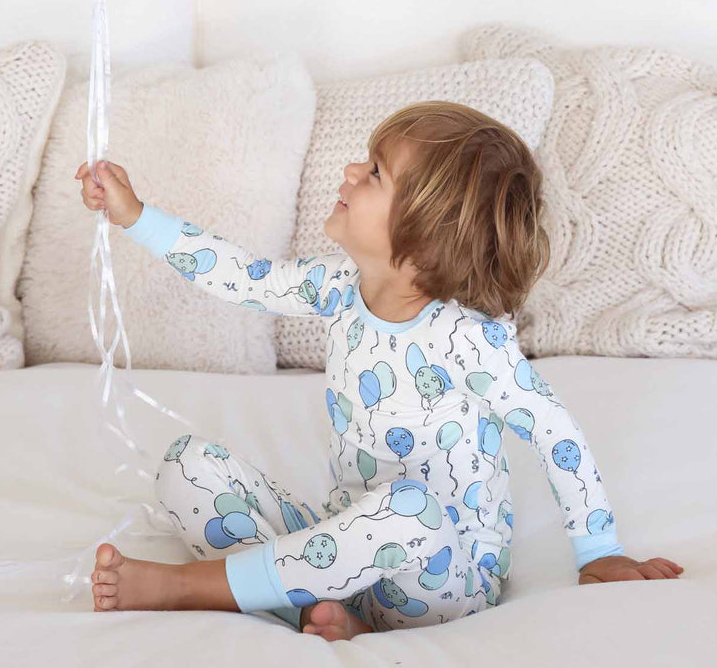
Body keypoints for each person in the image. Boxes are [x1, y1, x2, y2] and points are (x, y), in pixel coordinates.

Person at [74, 100, 683, 640]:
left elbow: (555, 435)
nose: (349, 172)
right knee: (188, 465)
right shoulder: (339, 287)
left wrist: (599, 552)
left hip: (444, 579)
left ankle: (189, 589)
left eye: (374, 173)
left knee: (408, 507)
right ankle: (331, 617)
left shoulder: (469, 338)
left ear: (425, 239)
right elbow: (237, 275)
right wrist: (136, 215)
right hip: (347, 553)